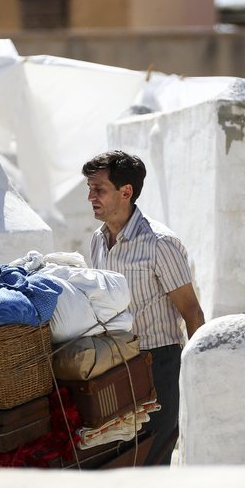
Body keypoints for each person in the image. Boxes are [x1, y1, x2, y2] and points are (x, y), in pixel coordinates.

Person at [84, 150, 205, 466]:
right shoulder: (97, 241)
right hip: (114, 368)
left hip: (159, 365)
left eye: (99, 189)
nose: (90, 197)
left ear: (126, 192)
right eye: (89, 188)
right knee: (121, 460)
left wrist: (197, 375)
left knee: (153, 460)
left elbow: (192, 312)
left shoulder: (159, 242)